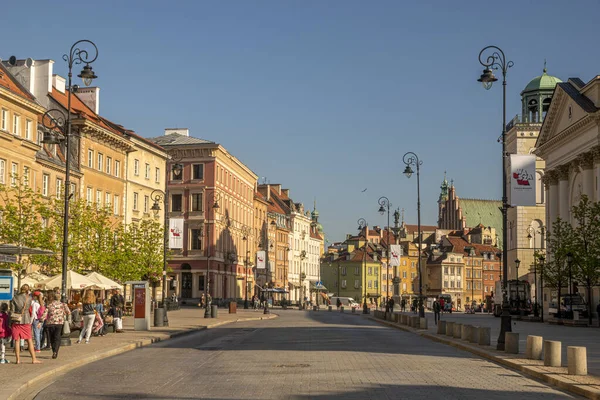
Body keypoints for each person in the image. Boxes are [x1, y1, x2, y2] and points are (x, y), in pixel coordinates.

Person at [10, 284, 40, 364]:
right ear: (28, 290)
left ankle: (18, 360)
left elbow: (12, 310)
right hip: (26, 319)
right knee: (29, 340)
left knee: (17, 340)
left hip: (16, 320)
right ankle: (34, 359)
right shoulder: (29, 298)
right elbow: (28, 307)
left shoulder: (14, 298)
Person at [45, 291, 71, 359]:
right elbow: (68, 312)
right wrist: (64, 314)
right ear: (59, 298)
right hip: (59, 323)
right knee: (57, 337)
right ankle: (55, 351)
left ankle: (54, 350)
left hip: (50, 323)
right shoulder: (63, 305)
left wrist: (41, 321)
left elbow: (45, 313)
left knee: (52, 337)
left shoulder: (49, 305)